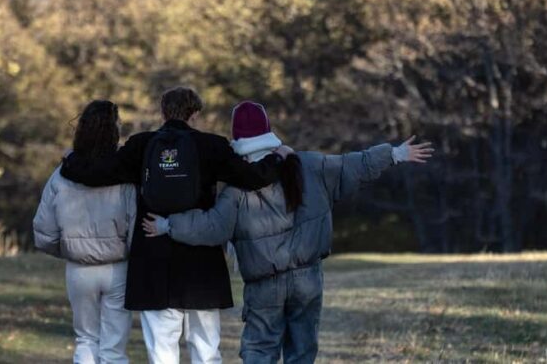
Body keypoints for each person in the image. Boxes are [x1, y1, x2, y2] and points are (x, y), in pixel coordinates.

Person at [143, 101, 434, 363]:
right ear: (269, 130)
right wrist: (395, 154)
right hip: (308, 278)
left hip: (264, 284)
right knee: (302, 351)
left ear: (237, 138)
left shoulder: (237, 187)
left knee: (260, 350)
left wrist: (168, 225)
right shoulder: (309, 164)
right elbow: (353, 165)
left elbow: (212, 227)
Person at [59, 87, 286, 364]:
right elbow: (252, 177)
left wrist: (70, 162)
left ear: (163, 112)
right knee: (206, 350)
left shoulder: (141, 145)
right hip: (202, 266)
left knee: (162, 351)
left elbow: (98, 173)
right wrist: (278, 158)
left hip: (154, 262)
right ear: (196, 114)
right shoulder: (212, 146)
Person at [33, 100, 137, 364]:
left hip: (79, 269)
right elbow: (136, 221)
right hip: (118, 269)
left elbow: (43, 232)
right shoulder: (126, 174)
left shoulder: (62, 174)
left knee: (85, 339)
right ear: (114, 130)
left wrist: (70, 247)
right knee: (114, 348)